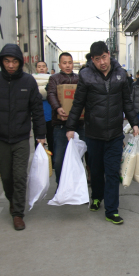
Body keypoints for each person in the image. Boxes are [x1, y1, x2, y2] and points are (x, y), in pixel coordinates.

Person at [66, 41, 139, 225]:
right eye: (97, 59)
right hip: (94, 133)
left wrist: (135, 123)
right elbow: (78, 104)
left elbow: (127, 102)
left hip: (115, 133)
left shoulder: (121, 74)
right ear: (93, 59)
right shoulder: (86, 75)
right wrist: (70, 127)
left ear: (109, 54)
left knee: (113, 172)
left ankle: (112, 210)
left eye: (104, 57)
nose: (102, 62)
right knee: (96, 170)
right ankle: (97, 196)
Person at [0, 44, 46, 231]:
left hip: (22, 137)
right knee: (6, 176)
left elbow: (37, 110)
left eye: (14, 61)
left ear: (20, 63)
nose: (10, 65)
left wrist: (40, 134)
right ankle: (12, 200)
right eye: (7, 61)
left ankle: (17, 213)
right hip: (1, 137)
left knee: (19, 177)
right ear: (1, 62)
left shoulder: (28, 82)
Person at [47, 52, 85, 185]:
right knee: (59, 159)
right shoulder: (54, 79)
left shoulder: (79, 78)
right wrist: (58, 108)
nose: (67, 65)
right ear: (59, 65)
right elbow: (51, 94)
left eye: (70, 62)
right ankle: (61, 185)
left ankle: (76, 187)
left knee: (78, 157)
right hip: (60, 124)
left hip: (78, 124)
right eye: (64, 63)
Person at [33, 61, 54, 152]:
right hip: (37, 116)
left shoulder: (52, 80)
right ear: (36, 69)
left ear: (47, 69)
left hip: (50, 117)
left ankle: (52, 164)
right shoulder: (32, 80)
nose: (41, 68)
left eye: (43, 66)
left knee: (51, 140)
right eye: (39, 67)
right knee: (38, 141)